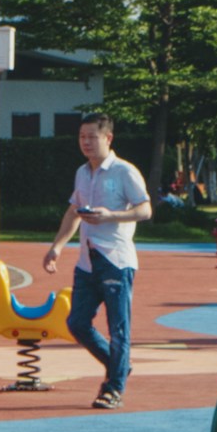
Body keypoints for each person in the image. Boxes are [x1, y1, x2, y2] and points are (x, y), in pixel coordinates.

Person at [42, 113, 151, 410]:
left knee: (118, 327)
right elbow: (72, 212)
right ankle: (119, 366)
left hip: (115, 259)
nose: (86, 143)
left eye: (92, 137)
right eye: (82, 137)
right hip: (86, 262)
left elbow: (145, 210)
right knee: (76, 323)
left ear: (108, 138)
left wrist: (110, 216)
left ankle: (114, 388)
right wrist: (57, 247)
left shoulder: (124, 172)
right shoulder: (82, 173)